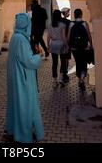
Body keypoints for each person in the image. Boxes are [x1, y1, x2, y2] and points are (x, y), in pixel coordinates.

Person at [5, 13, 44, 143]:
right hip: (23, 80)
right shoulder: (21, 39)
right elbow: (28, 61)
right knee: (25, 106)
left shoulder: (15, 37)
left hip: (16, 78)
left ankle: (13, 131)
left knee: (16, 105)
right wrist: (38, 55)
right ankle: (23, 135)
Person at [68, 8, 93, 90]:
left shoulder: (71, 24)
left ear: (74, 15)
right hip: (84, 47)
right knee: (84, 63)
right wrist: (91, 45)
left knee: (78, 62)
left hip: (74, 48)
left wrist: (69, 45)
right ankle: (82, 78)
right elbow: (89, 35)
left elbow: (68, 36)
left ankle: (79, 79)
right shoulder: (84, 23)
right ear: (81, 15)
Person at [47, 9, 68, 87]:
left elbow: (48, 36)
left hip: (53, 44)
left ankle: (54, 81)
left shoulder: (49, 25)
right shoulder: (62, 25)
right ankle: (61, 79)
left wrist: (47, 45)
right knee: (63, 62)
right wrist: (67, 45)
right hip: (61, 44)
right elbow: (64, 36)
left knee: (54, 63)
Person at [60, 6, 72, 83]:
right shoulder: (69, 22)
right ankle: (65, 74)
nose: (69, 13)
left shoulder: (59, 22)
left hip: (60, 42)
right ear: (65, 13)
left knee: (62, 59)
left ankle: (62, 74)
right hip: (67, 43)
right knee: (66, 59)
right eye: (68, 12)